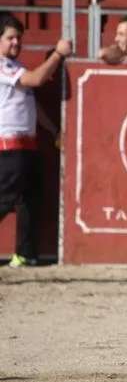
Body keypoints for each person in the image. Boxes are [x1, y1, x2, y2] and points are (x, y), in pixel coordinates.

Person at [0, 14, 71, 268]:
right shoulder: (3, 65)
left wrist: (53, 130)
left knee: (31, 199)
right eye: (10, 38)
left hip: (26, 144)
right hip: (8, 145)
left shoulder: (14, 65)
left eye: (19, 38)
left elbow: (32, 105)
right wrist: (58, 55)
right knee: (5, 199)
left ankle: (24, 254)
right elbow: (36, 80)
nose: (16, 42)